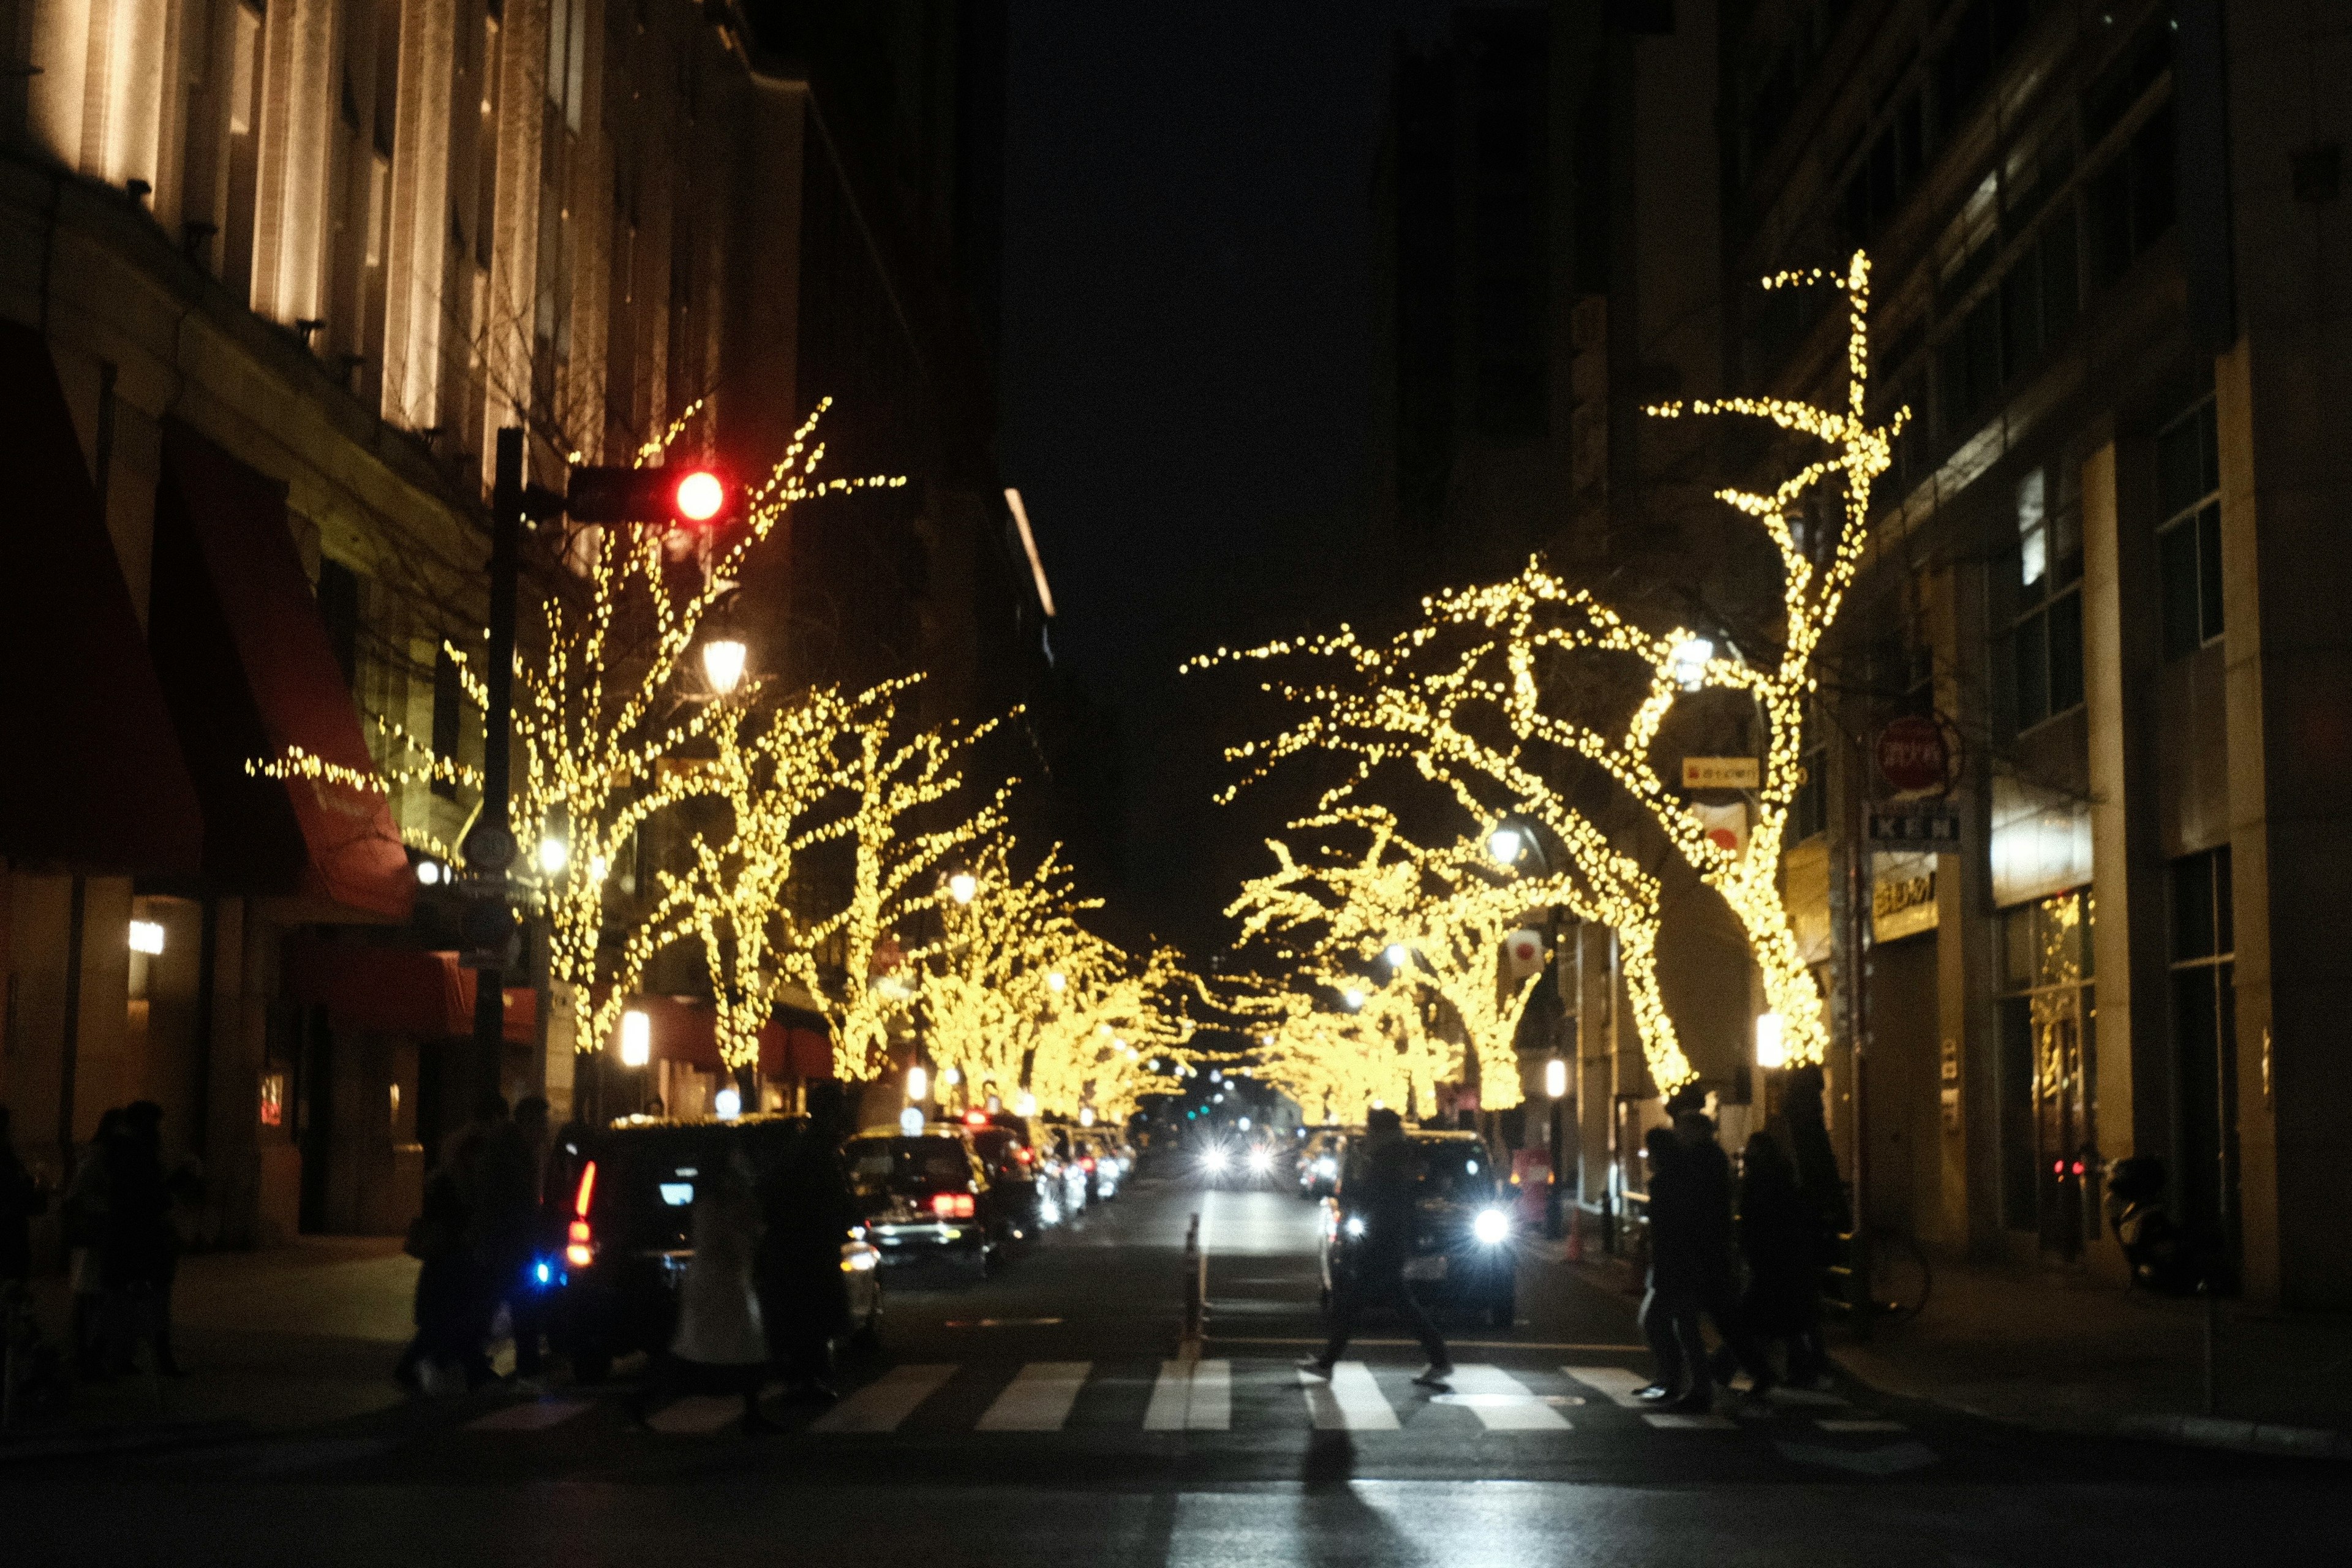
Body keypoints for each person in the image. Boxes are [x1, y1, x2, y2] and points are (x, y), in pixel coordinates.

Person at [1298, 1107, 1452, 1389]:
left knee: (1356, 1303)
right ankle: (1439, 1360)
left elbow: (1378, 1199)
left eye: (1371, 1128)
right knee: (1392, 1304)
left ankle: (1327, 1363)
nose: (1368, 1133)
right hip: (1388, 1240)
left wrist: (1349, 1194)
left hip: (1381, 1241)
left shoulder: (1387, 1160)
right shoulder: (1395, 1156)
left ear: (1381, 1132)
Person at [635, 1151, 774, 1433]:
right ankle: (647, 1399)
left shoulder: (717, 1204)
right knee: (703, 1351)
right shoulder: (713, 1206)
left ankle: (752, 1409)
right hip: (717, 1286)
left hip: (727, 1285)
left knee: (737, 1347)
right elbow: (721, 1244)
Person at [759, 1082, 858, 1402]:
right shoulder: (819, 1153)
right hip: (809, 1247)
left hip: (794, 1246)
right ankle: (808, 1377)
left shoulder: (798, 1148)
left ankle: (801, 1376)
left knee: (802, 1314)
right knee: (812, 1313)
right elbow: (833, 1201)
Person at [1671, 1103, 1775, 1407]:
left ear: (1695, 1132)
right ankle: (1748, 1370)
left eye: (1683, 1129)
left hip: (1703, 1251)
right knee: (1724, 1317)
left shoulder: (1700, 1160)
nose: (1679, 1135)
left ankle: (1707, 1382)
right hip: (1714, 1249)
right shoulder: (1714, 1159)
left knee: (1698, 1318)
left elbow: (1697, 1206)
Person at [1732, 1131, 1826, 1387]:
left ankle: (1738, 1369)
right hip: (1788, 1259)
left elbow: (1753, 1225)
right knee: (1789, 1320)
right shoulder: (1786, 1178)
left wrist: (1748, 1253)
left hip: (1768, 1260)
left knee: (1753, 1320)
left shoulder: (1756, 1183)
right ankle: (1803, 1371)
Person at [61, 1109, 119, 1375]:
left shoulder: (104, 1156)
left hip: (99, 1230)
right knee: (88, 1294)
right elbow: (75, 1193)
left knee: (93, 1295)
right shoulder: (98, 1156)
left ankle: (89, 1354)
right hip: (93, 1231)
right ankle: (84, 1356)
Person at [0, 1107, 43, 1287]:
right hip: (9, 1236)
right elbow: (19, 1198)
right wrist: (37, 1188)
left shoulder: (9, 1159)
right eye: (10, 1127)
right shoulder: (7, 1162)